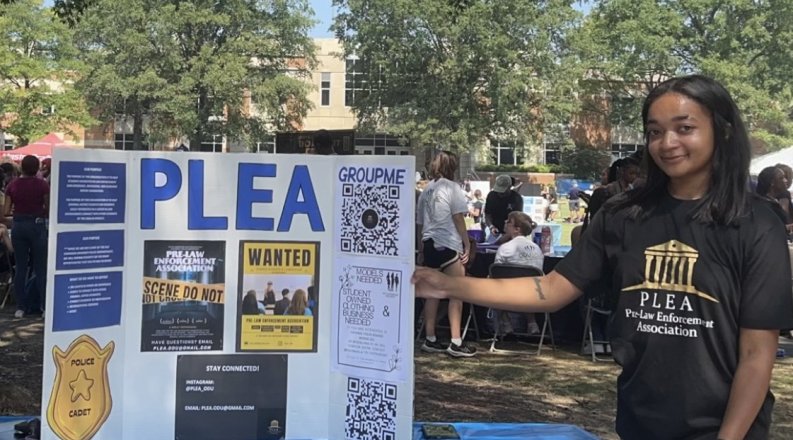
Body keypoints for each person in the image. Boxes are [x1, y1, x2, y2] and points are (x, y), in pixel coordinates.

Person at [412, 75, 793, 438]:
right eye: (655, 131)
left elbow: (756, 354)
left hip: (725, 428)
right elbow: (551, 289)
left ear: (722, 132)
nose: (667, 143)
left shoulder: (757, 225)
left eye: (685, 128)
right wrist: (447, 285)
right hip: (639, 422)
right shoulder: (625, 215)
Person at [416, 151, 475, 357]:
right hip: (448, 243)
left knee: (432, 293)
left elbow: (420, 223)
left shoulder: (426, 190)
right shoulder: (452, 188)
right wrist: (466, 243)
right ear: (453, 167)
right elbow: (458, 218)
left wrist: (421, 248)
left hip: (429, 243)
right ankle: (456, 341)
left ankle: (430, 338)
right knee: (456, 293)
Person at [5, 155, 49, 319]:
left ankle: (20, 307)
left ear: (21, 167)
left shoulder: (12, 185)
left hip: (18, 226)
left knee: (21, 267)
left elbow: (6, 210)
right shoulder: (42, 184)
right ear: (37, 168)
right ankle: (43, 307)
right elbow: (48, 207)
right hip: (37, 225)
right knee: (40, 268)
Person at [493, 211, 544, 336]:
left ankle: (506, 323)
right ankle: (532, 323)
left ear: (517, 229)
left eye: (508, 222)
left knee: (493, 284)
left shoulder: (505, 248)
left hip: (507, 294)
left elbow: (496, 273)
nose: (505, 222)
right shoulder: (537, 249)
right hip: (534, 295)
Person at [484, 174, 523, 242]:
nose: (500, 193)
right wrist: (491, 226)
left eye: (503, 191)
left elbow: (518, 220)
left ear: (509, 187)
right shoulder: (491, 196)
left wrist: (508, 234)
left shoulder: (517, 198)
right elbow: (488, 215)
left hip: (511, 233)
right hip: (494, 231)